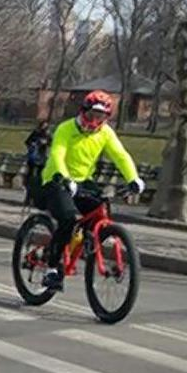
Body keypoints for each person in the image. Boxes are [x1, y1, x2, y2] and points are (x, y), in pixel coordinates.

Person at [38, 91, 144, 292]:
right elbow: (58, 154)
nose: (95, 120)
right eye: (92, 114)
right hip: (57, 179)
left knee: (102, 209)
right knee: (68, 219)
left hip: (83, 180)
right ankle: (52, 268)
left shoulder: (105, 133)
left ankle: (87, 243)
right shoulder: (66, 128)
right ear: (83, 111)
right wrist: (65, 177)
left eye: (101, 116)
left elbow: (120, 155)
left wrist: (133, 178)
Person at [23, 119, 51, 205]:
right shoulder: (35, 133)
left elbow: (51, 143)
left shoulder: (47, 135)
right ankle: (28, 197)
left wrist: (45, 143)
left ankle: (35, 198)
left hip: (42, 158)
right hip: (33, 158)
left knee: (39, 178)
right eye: (43, 126)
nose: (44, 128)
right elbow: (27, 142)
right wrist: (34, 144)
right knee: (30, 178)